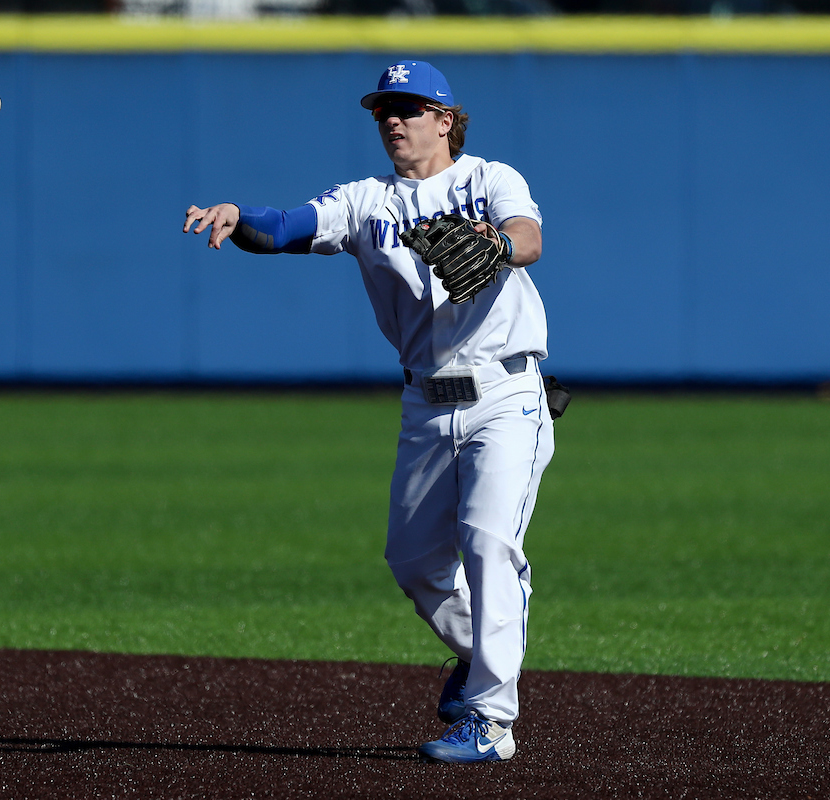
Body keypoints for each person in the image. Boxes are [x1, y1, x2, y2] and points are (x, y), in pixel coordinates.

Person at [183, 59, 554, 764]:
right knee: (414, 563)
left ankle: (491, 720)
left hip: (505, 394)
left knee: (486, 541)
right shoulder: (366, 200)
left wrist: (496, 245)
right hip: (425, 401)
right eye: (384, 109)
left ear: (445, 120)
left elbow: (529, 239)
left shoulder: (489, 179)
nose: (393, 119)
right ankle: (484, 660)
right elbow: (289, 227)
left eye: (410, 108)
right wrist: (239, 218)